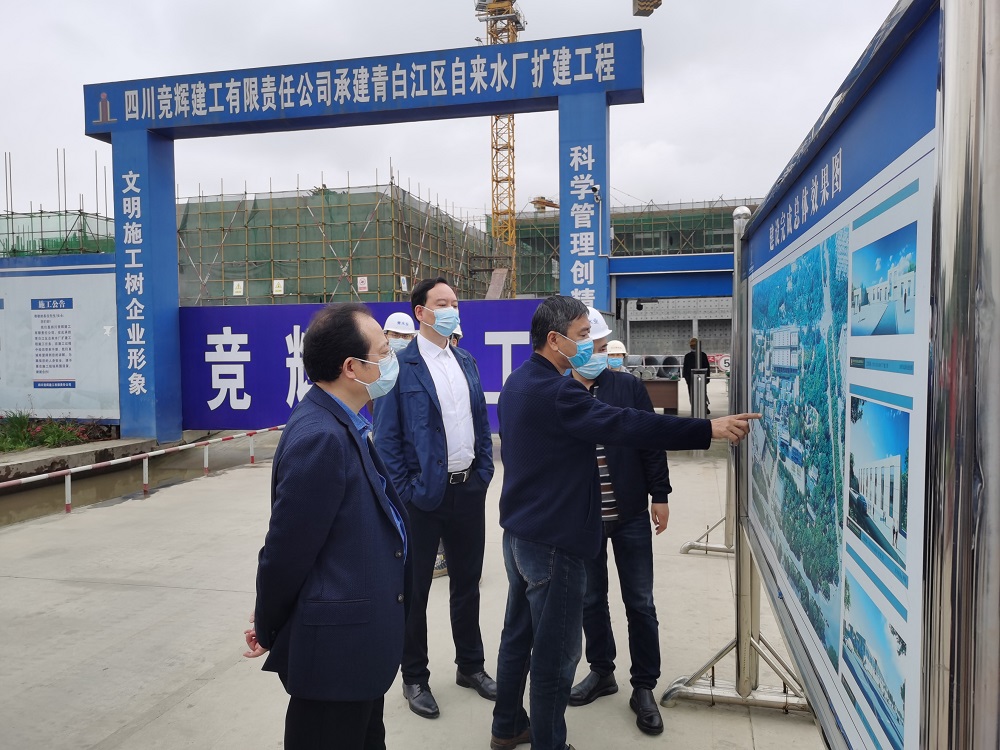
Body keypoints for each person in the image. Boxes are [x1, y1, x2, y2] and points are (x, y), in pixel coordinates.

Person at [489, 296, 758, 750]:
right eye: (581, 337)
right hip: (555, 543)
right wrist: (706, 428)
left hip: (519, 535)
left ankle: (508, 726)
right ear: (554, 340)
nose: (589, 346)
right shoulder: (560, 392)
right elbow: (629, 426)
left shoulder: (518, 382)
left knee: (518, 637)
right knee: (556, 656)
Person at [244, 303, 409, 750]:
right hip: (335, 658)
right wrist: (268, 622)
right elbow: (287, 551)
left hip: (358, 652)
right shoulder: (321, 437)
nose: (391, 360)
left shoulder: (344, 423)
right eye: (384, 352)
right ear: (352, 367)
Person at [373, 277, 496, 719]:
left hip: (468, 491)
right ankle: (414, 677)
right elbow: (386, 440)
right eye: (442, 303)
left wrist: (483, 471)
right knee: (415, 591)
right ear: (421, 312)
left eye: (455, 303)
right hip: (421, 499)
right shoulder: (399, 367)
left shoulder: (466, 360)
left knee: (467, 584)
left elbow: (480, 422)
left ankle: (471, 666)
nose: (451, 310)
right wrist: (406, 492)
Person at [565, 309, 671, 735]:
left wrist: (659, 494)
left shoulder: (627, 387)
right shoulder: (559, 390)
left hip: (629, 513)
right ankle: (602, 671)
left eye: (600, 345)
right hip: (584, 516)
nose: (596, 352)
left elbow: (651, 441)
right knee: (591, 599)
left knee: (640, 602)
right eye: (588, 344)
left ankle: (644, 685)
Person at [682, 337, 711, 415]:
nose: (693, 347)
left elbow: (707, 367)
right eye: (692, 345)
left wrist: (707, 378)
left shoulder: (692, 356)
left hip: (697, 378)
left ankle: (702, 407)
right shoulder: (701, 355)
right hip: (693, 379)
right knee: (696, 394)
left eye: (694, 345)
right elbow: (685, 368)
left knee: (698, 393)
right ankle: (696, 408)